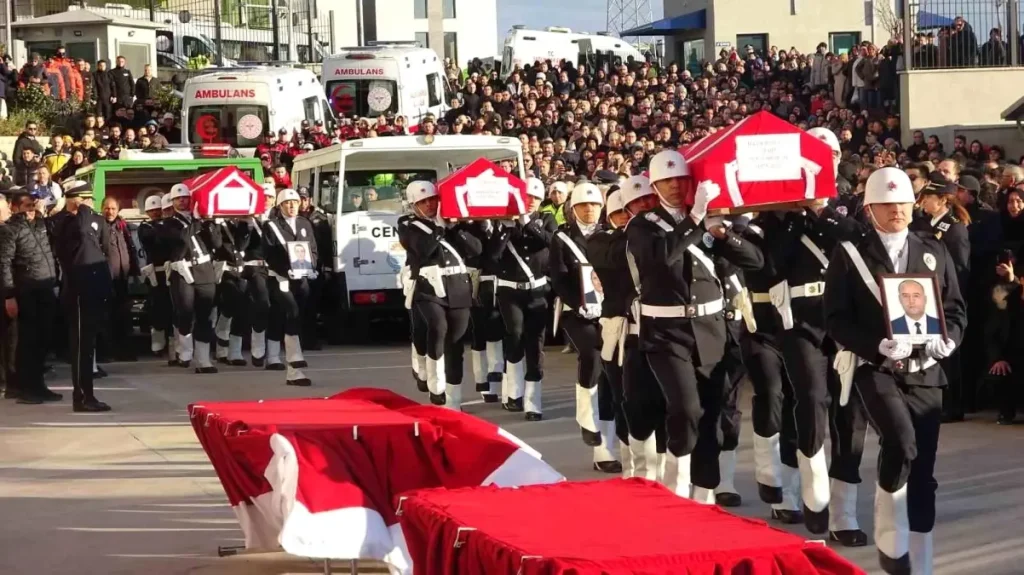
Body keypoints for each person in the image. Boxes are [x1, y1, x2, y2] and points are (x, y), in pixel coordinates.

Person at [824, 167, 966, 575]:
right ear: (870, 209)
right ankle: (889, 534)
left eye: (903, 201)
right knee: (901, 443)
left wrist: (950, 340)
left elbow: (955, 309)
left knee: (922, 471)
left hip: (927, 370)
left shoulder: (932, 249)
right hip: (878, 368)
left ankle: (919, 564)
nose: (897, 210)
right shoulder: (850, 254)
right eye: (887, 203)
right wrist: (875, 346)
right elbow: (835, 318)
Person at [626, 150, 762, 502]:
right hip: (666, 332)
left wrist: (725, 235)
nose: (674, 186)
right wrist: (697, 218)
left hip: (711, 329)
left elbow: (755, 260)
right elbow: (660, 259)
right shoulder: (643, 225)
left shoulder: (706, 220)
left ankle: (704, 496)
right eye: (666, 181)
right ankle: (675, 490)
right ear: (654, 186)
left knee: (712, 417)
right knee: (685, 409)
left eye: (680, 180)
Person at [550, 182, 621, 473]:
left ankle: (605, 451)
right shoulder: (562, 238)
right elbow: (559, 278)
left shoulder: (611, 236)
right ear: (573, 209)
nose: (589, 210)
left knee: (609, 374)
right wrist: (580, 305)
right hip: (576, 313)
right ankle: (585, 417)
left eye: (593, 205)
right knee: (592, 353)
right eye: (582, 205)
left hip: (610, 312)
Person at [402, 181, 481, 407]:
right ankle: (436, 386)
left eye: (433, 200)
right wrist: (439, 228)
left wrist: (454, 227)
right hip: (428, 285)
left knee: (455, 343)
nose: (429, 205)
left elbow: (476, 250)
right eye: (423, 202)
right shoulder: (407, 225)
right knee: (437, 326)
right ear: (413, 205)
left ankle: (453, 399)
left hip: (457, 285)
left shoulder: (454, 224)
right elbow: (423, 249)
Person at [492, 177, 557, 420]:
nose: (531, 202)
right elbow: (493, 256)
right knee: (515, 337)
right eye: (527, 197)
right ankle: (514, 393)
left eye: (536, 198)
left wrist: (527, 222)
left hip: (538, 290)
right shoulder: (506, 221)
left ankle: (533, 401)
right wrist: (507, 227)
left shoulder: (547, 220)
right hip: (510, 290)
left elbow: (551, 241)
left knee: (536, 343)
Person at [49, 181, 111, 412]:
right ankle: (82, 396)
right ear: (75, 199)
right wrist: (81, 210)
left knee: (88, 345)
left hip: (93, 290)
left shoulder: (89, 221)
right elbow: (84, 234)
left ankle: (88, 394)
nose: (90, 205)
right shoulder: (65, 223)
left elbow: (100, 248)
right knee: (80, 346)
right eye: (87, 200)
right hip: (77, 292)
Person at [0, 191, 59, 405]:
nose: (31, 209)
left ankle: (38, 385)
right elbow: (4, 264)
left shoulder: (41, 225)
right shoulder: (9, 230)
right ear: (15, 207)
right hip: (26, 290)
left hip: (45, 287)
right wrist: (9, 296)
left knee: (44, 340)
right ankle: (24, 389)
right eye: (26, 205)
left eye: (32, 205)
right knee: (27, 342)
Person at [161, 183, 221, 374]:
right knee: (185, 313)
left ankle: (203, 360)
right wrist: (196, 221)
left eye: (185, 197)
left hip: (204, 269)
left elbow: (217, 244)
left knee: (205, 316)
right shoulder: (169, 223)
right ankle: (185, 352)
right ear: (172, 202)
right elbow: (182, 239)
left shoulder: (202, 221)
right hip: (184, 271)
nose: (182, 201)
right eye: (178, 198)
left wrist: (210, 223)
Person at [263, 188, 317, 386]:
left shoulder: (305, 223)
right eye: (288, 202)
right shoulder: (272, 226)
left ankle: (294, 373)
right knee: (291, 312)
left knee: (296, 317)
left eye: (295, 202)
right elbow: (268, 255)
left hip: (302, 279)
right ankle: (294, 360)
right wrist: (287, 271)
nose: (293, 205)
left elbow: (312, 249)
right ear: (280, 206)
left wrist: (312, 267)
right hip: (280, 279)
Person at [137, 194, 170, 357]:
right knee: (157, 307)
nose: (156, 213)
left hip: (170, 270)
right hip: (155, 273)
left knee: (171, 308)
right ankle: (157, 343)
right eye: (153, 211)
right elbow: (152, 240)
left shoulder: (168, 224)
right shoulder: (145, 227)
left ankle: (171, 343)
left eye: (159, 210)